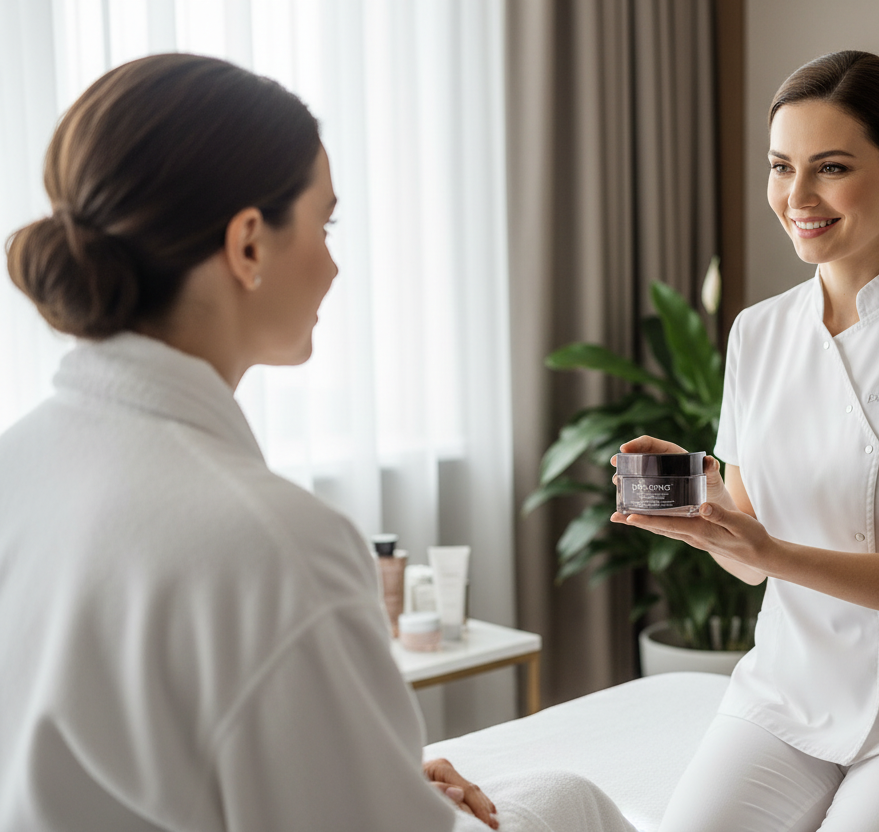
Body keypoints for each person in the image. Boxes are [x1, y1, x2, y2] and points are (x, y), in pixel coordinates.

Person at [0, 54, 632, 832]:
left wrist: (387, 780)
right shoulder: (271, 546)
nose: (333, 264)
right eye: (324, 224)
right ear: (248, 246)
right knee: (571, 802)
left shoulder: (17, 465)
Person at [615, 51, 879, 832]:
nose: (796, 197)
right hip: (785, 690)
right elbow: (747, 560)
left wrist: (771, 553)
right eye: (780, 167)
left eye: (830, 168)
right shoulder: (757, 332)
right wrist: (705, 513)